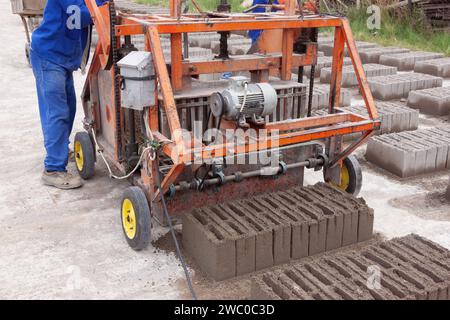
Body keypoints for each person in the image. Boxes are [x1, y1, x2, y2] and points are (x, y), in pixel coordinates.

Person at [30, 0, 106, 189]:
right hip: (49, 56)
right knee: (57, 112)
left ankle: (60, 151)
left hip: (62, 59)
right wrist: (105, 7)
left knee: (69, 109)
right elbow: (78, 17)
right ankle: (53, 169)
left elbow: (98, 5)